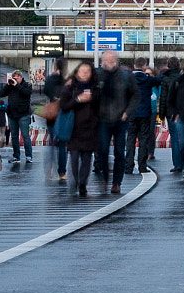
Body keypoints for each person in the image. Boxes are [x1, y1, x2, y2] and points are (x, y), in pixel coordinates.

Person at [93, 50, 137, 195]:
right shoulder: (97, 75)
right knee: (103, 151)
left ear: (117, 61)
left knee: (119, 151)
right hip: (102, 119)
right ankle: (104, 178)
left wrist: (127, 112)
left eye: (112, 60)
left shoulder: (126, 76)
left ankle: (117, 182)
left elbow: (135, 96)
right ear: (102, 61)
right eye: (106, 60)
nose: (109, 63)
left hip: (120, 119)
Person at [63, 61, 100, 197]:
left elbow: (101, 107)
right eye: (82, 71)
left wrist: (93, 99)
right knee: (74, 157)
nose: (84, 73)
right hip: (74, 129)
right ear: (77, 73)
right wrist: (78, 100)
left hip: (90, 129)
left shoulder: (96, 88)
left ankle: (83, 183)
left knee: (86, 158)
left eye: (87, 71)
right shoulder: (70, 88)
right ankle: (75, 181)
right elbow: (64, 106)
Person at [42, 59, 74, 181]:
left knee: (52, 142)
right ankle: (62, 172)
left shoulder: (51, 79)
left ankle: (48, 169)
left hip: (52, 114)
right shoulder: (67, 81)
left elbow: (45, 91)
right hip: (64, 115)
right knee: (62, 144)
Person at [130, 58, 159, 175]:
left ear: (133, 66)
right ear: (144, 67)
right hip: (145, 113)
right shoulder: (148, 79)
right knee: (143, 139)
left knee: (130, 139)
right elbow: (160, 80)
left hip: (131, 113)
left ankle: (128, 166)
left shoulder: (128, 79)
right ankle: (142, 165)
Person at [1, 70, 35, 163]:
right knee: (14, 136)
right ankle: (16, 156)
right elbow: (1, 94)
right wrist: (8, 85)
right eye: (13, 78)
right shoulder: (10, 87)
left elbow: (27, 93)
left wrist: (17, 85)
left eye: (16, 78)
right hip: (12, 114)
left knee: (25, 136)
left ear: (20, 77)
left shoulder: (26, 85)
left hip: (23, 114)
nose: (15, 80)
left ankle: (29, 156)